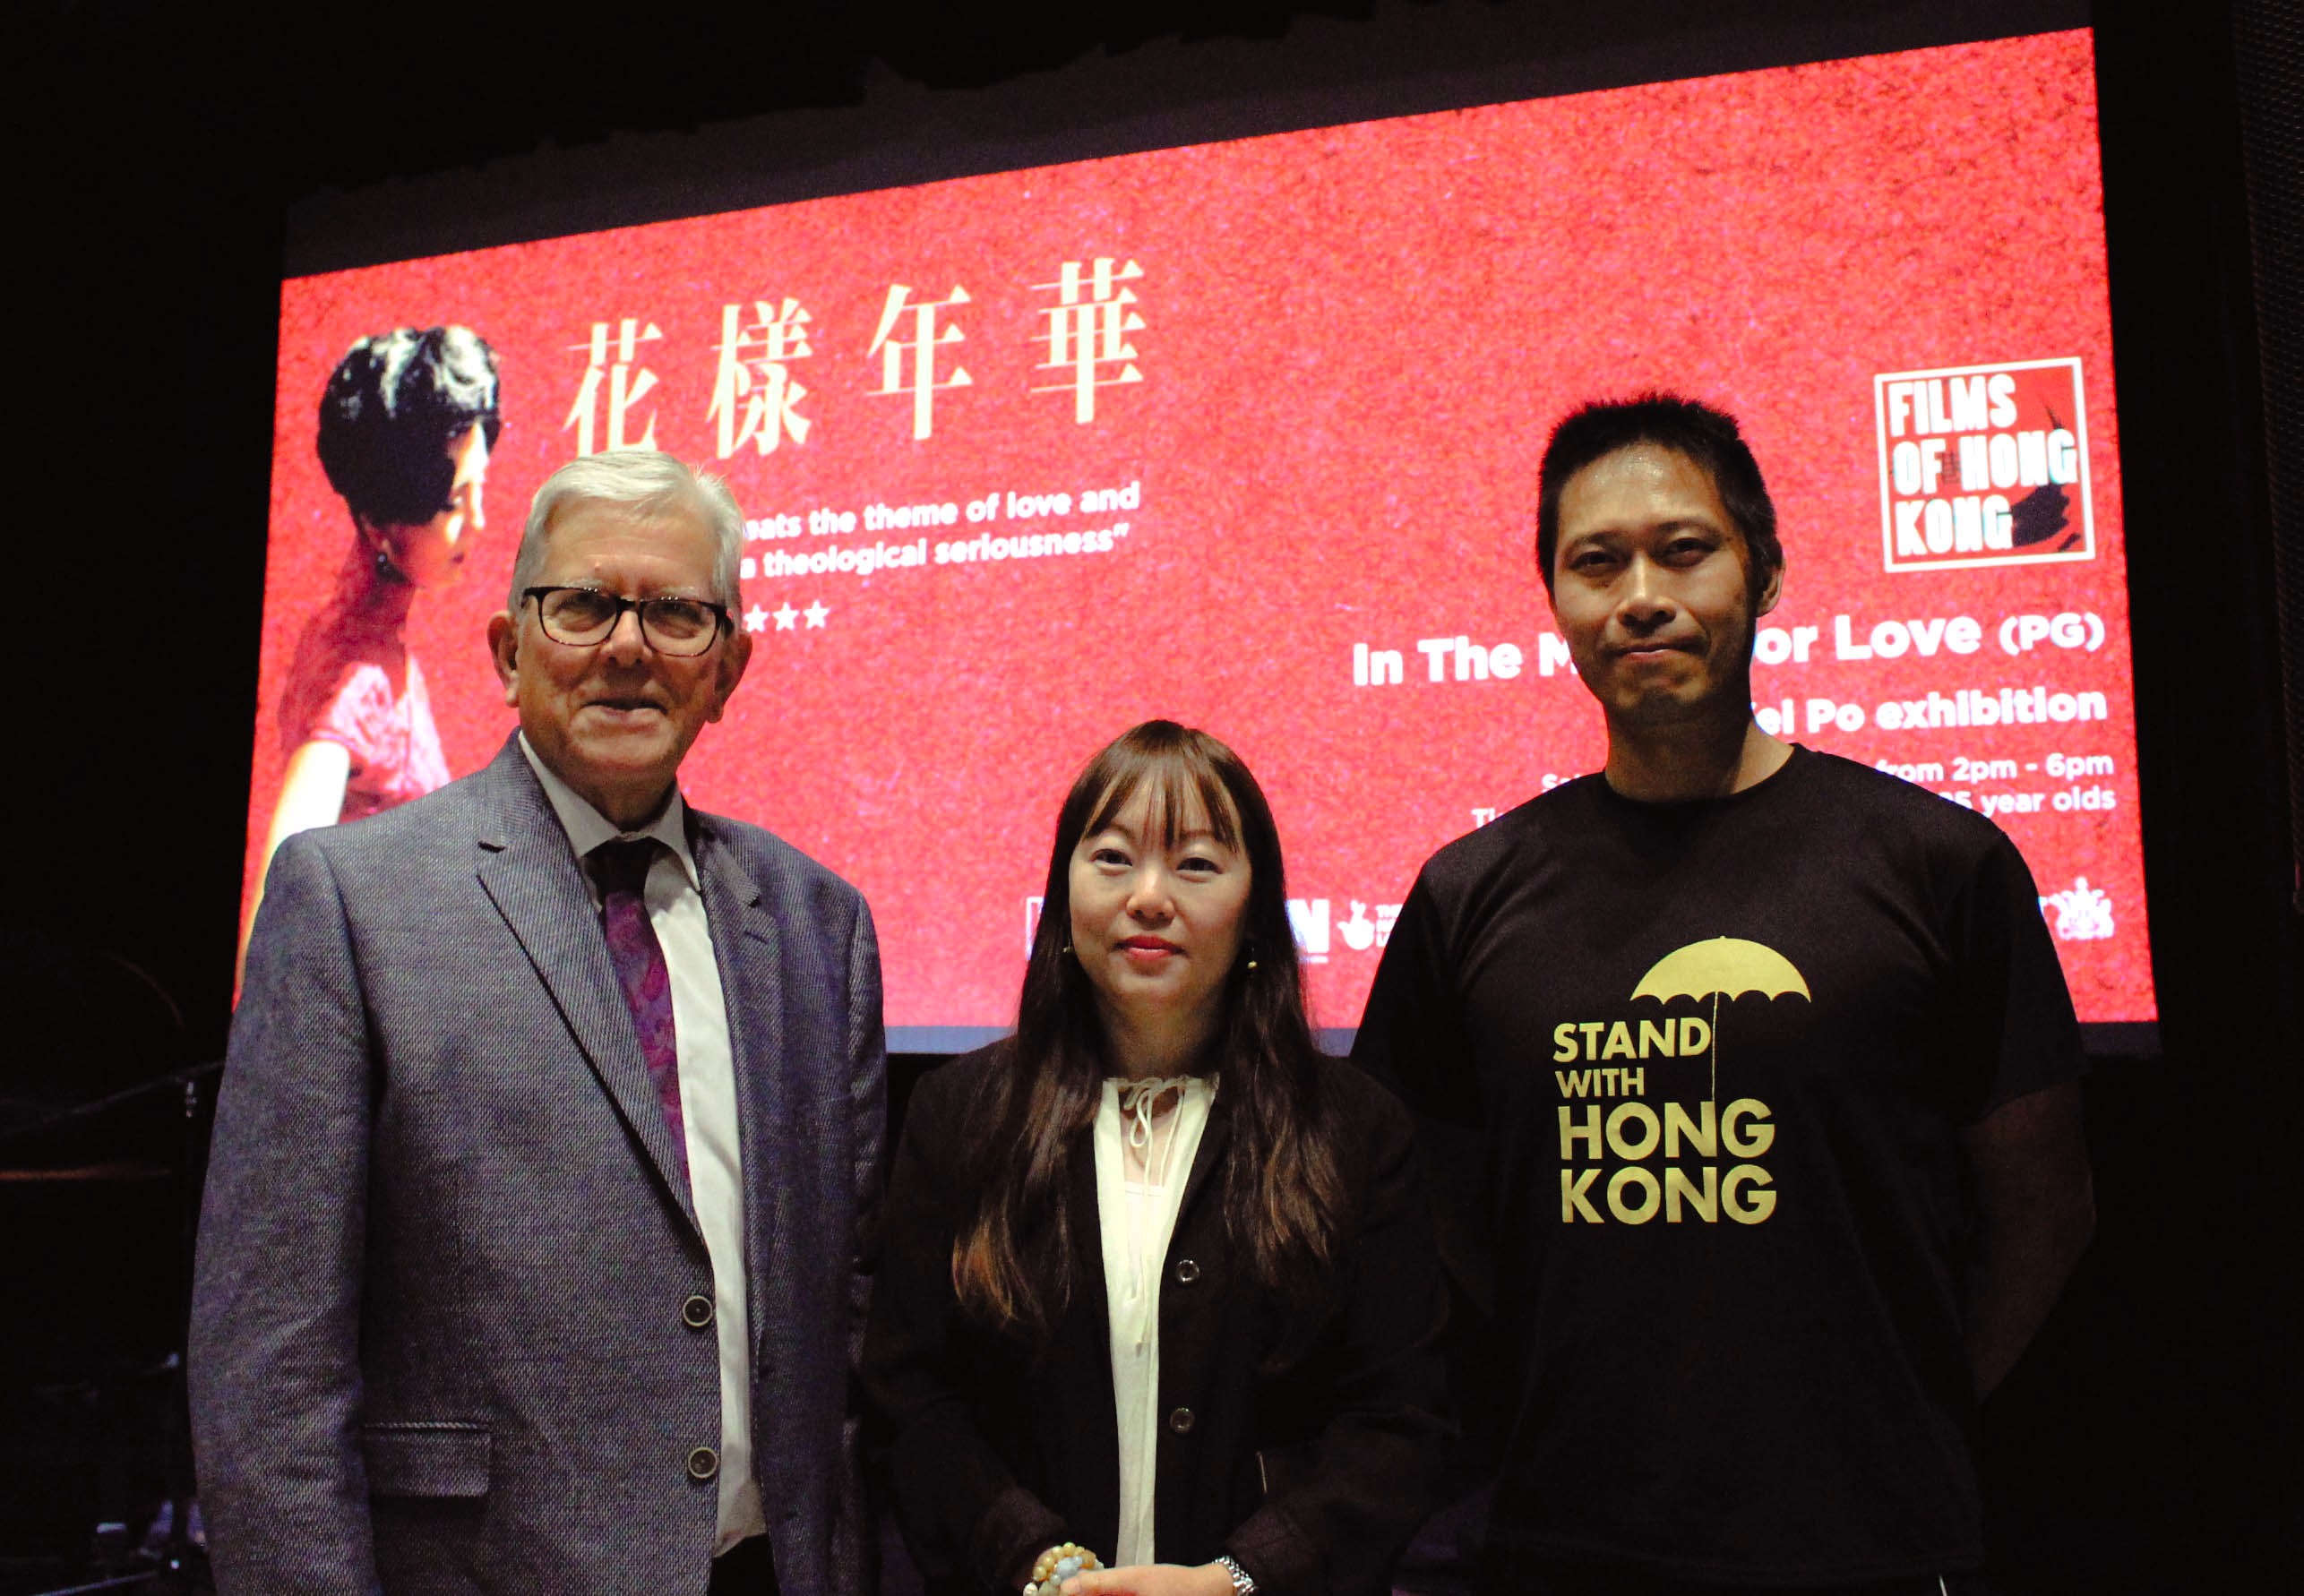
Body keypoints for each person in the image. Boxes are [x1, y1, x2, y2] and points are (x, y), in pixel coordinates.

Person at [1353, 395, 2097, 1595]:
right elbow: (1443, 1214)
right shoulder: (1467, 894)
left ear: (1768, 574)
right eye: (1596, 561)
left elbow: (2046, 1206)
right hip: (1563, 1541)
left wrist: (1900, 1406)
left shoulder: (1938, 863)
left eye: (1683, 548)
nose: (1640, 592)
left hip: (1869, 1544)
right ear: (1555, 601)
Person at [193, 450, 885, 1596]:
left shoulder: (816, 923)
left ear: (729, 667)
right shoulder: (351, 903)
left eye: (674, 613)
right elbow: (268, 1366)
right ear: (509, 652)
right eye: (582, 605)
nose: (626, 646)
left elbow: (845, 1306)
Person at [864, 721, 1451, 1596]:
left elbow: (1399, 1421)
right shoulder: (962, 1117)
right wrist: (1039, 1565)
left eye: (1197, 865)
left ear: (1255, 909)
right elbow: (910, 1398)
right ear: (1063, 899)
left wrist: (1244, 1576)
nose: (1148, 896)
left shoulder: (1353, 1128)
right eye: (1111, 858)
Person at [241, 324, 502, 976]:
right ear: (379, 524)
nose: (479, 522)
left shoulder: (363, 634)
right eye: (450, 503)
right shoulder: (355, 675)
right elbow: (270, 930)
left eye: (479, 488)